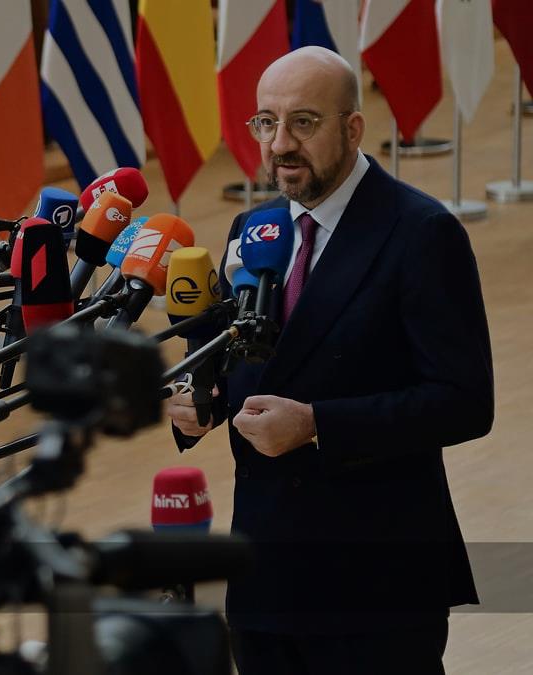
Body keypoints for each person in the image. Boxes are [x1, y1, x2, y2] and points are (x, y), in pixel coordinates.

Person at [165, 47, 493, 674]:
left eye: (303, 122)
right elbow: (248, 360)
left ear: (353, 127)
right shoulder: (253, 230)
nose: (280, 144)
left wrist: (317, 425)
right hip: (264, 578)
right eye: (266, 122)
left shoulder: (421, 233)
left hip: (374, 584)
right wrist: (204, 401)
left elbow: (465, 402)